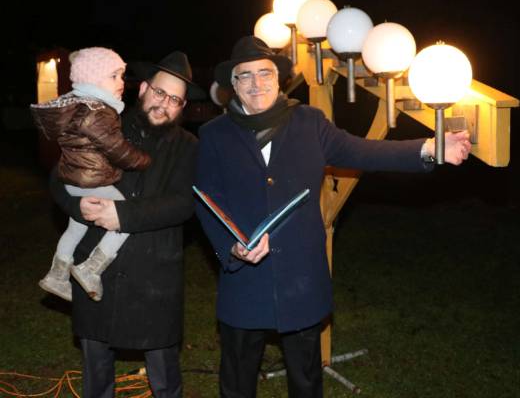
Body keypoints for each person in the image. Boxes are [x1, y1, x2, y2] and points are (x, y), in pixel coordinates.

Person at [194, 36, 472, 398]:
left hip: (301, 279)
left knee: (307, 379)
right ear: (233, 84)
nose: (256, 83)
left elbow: (364, 151)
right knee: (237, 381)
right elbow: (205, 201)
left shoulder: (309, 122)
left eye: (264, 73)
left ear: (279, 78)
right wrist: (231, 248)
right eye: (244, 75)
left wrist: (429, 148)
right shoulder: (214, 135)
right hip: (245, 280)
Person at [49, 51, 205, 398]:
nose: (165, 104)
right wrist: (78, 204)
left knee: (165, 378)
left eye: (176, 100)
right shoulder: (102, 122)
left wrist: (123, 216)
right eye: (160, 93)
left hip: (155, 275)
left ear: (182, 108)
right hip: (93, 272)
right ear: (144, 89)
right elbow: (60, 179)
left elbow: (184, 203)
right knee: (96, 373)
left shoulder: (188, 146)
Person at [32, 47, 151, 302]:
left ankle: (57, 273)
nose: (122, 82)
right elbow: (117, 150)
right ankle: (91, 268)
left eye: (122, 76)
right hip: (91, 180)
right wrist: (144, 160)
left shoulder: (78, 108)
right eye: (115, 76)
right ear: (93, 80)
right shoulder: (96, 112)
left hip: (73, 181)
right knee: (125, 217)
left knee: (75, 227)